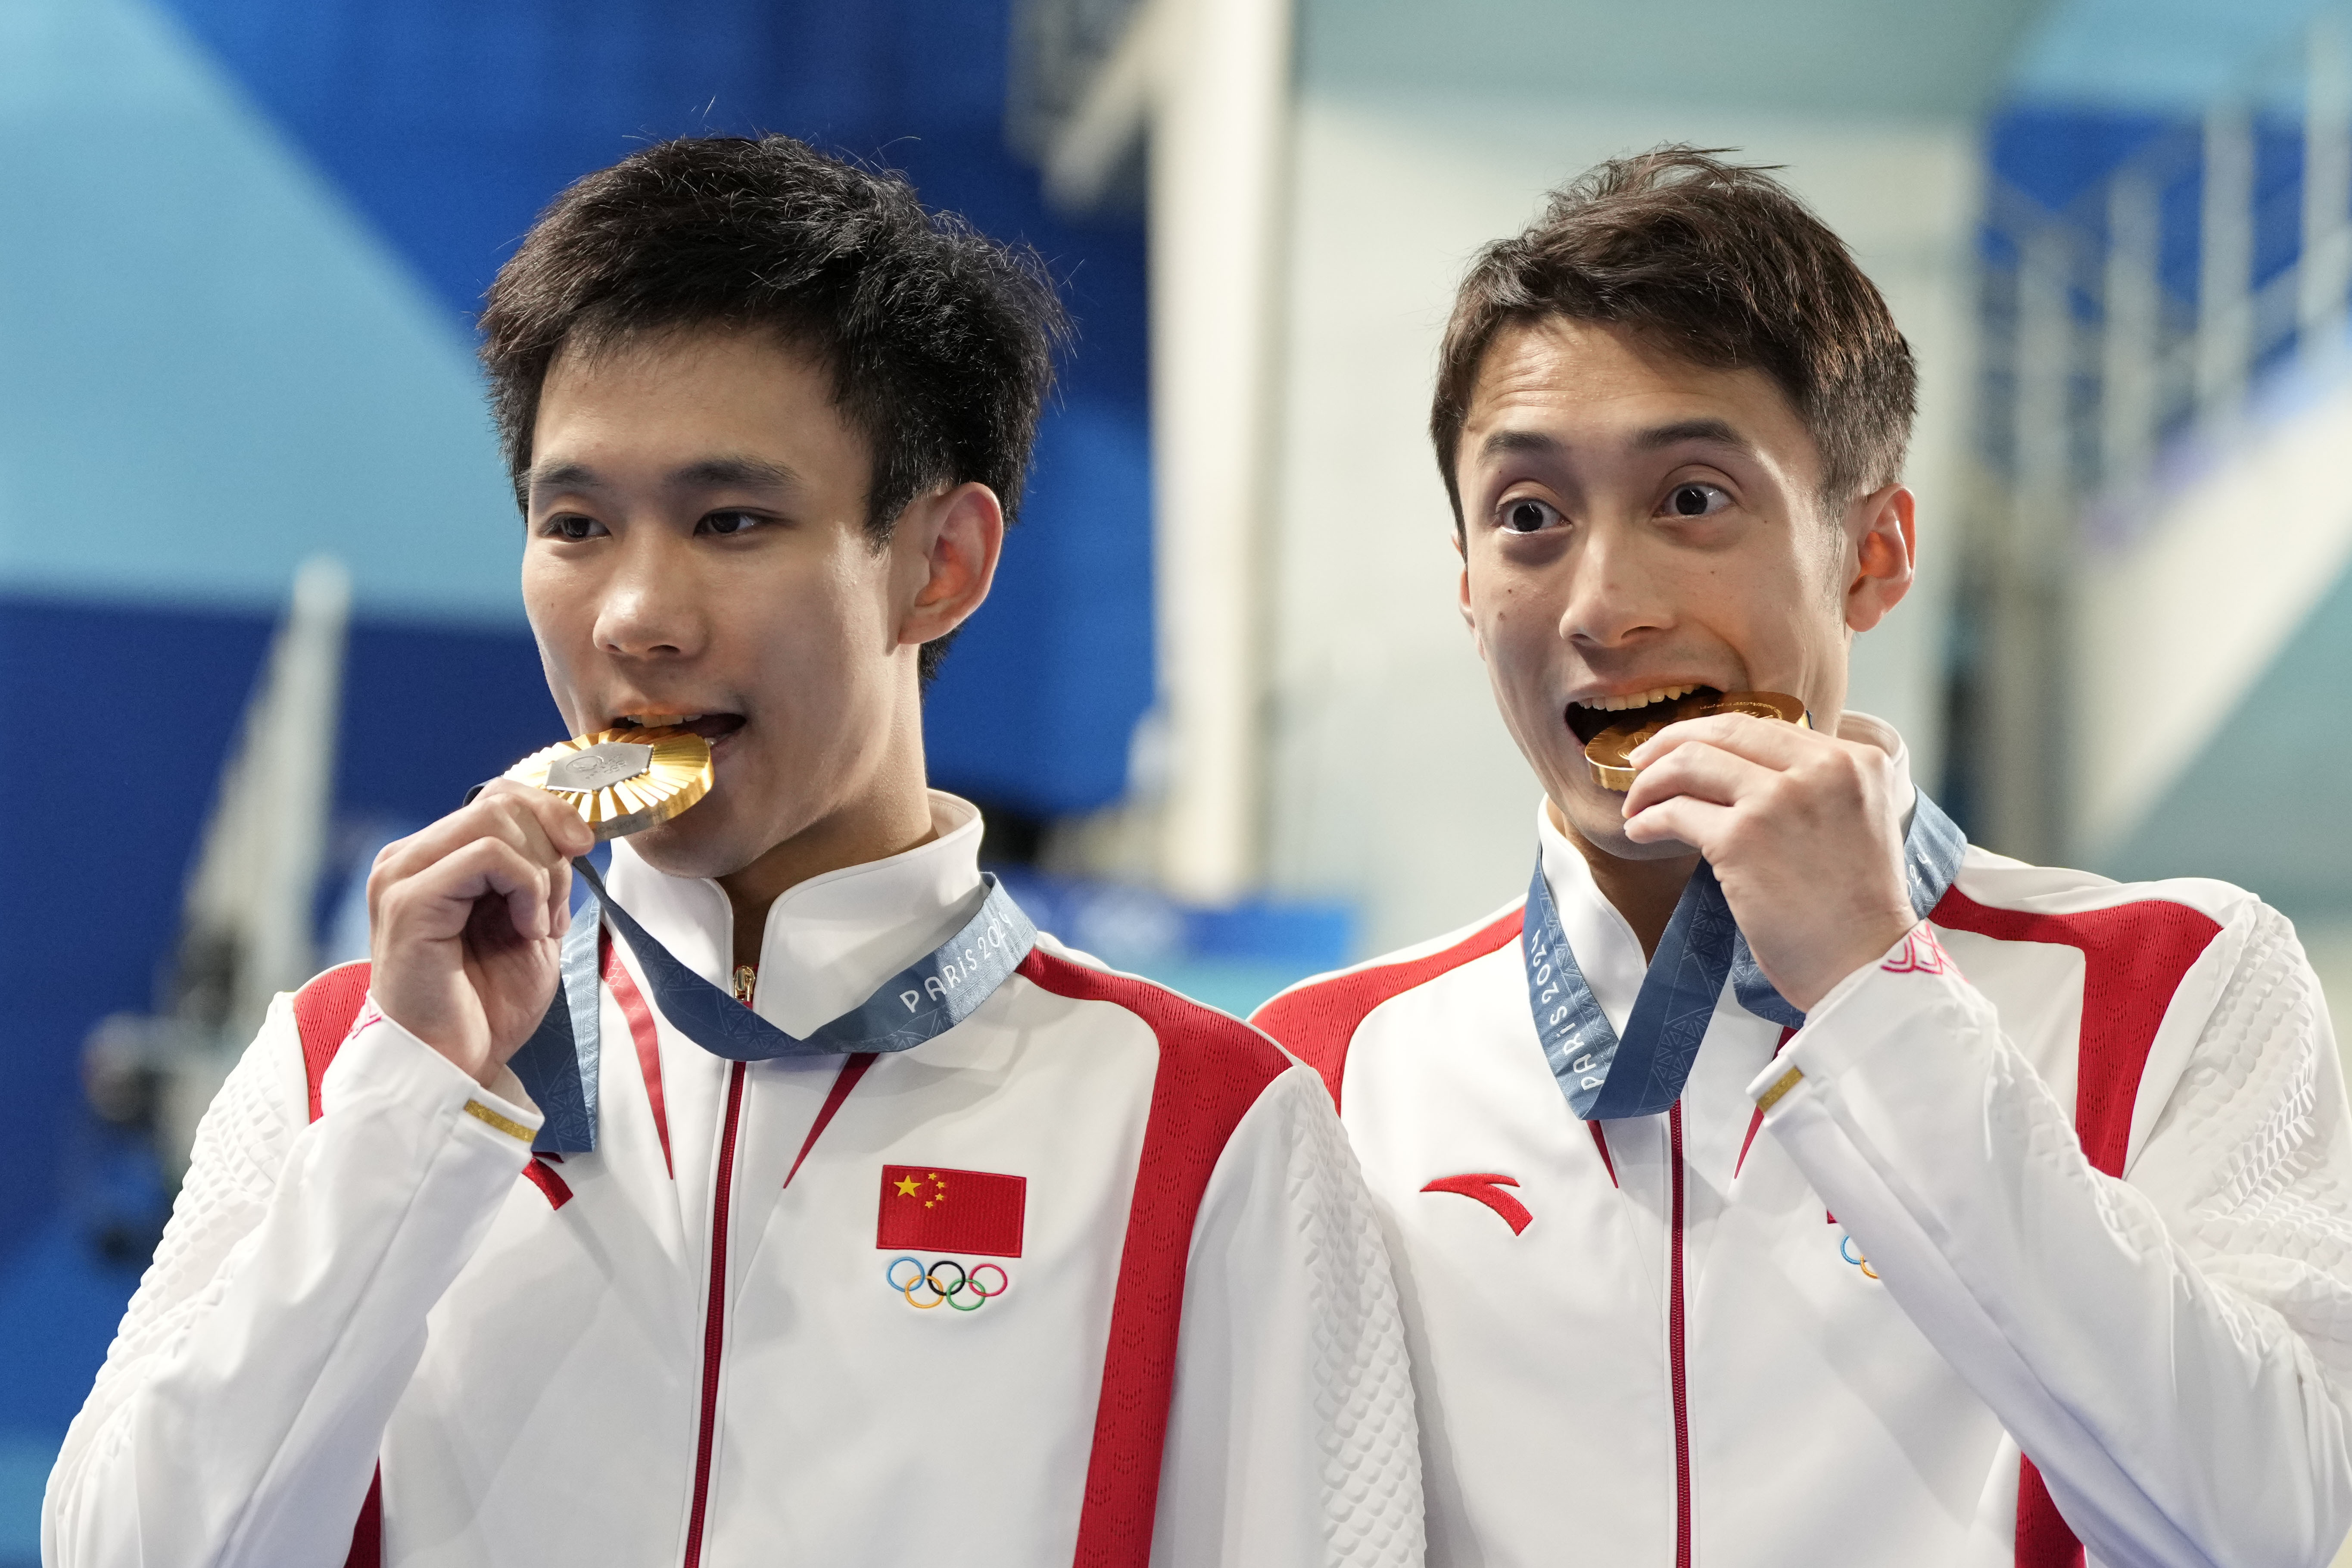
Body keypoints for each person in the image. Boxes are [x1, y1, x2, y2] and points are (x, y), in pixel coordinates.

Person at [47, 135, 1420, 1568]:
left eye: (731, 521)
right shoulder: (350, 1062)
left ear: (937, 563)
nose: (637, 613)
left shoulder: (1208, 1129)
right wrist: (411, 1118)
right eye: (574, 523)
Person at [1252, 147, 2352, 1568]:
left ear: (1872, 554)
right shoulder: (1328, 1067)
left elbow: (2264, 1519)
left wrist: (1874, 993)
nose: (1603, 605)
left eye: (1692, 498)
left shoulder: (2177, 978)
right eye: (1528, 518)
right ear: (1467, 585)